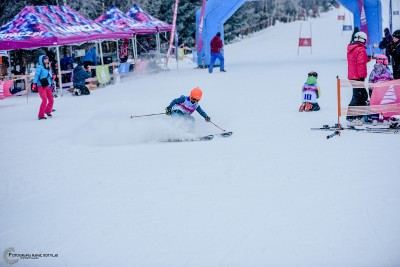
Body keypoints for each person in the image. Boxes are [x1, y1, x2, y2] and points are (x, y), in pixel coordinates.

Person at [346, 31, 369, 125]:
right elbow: (360, 64)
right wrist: (362, 76)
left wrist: (366, 59)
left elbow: (355, 61)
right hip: (358, 76)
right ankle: (354, 117)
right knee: (361, 96)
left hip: (352, 76)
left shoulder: (352, 48)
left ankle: (353, 116)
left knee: (358, 95)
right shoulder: (361, 50)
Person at [368, 55, 394, 125]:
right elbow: (392, 81)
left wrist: (371, 92)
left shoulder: (373, 71)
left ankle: (375, 119)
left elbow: (370, 82)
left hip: (376, 92)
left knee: (375, 104)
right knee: (386, 104)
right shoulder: (388, 71)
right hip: (386, 92)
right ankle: (386, 119)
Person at [32, 55, 54, 120]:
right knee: (44, 100)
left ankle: (47, 111)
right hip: (41, 86)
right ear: (42, 60)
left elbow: (49, 75)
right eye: (45, 59)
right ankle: (40, 115)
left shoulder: (47, 66)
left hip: (47, 85)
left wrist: (52, 77)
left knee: (51, 100)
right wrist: (34, 83)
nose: (46, 60)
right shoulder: (39, 67)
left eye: (47, 59)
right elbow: (36, 76)